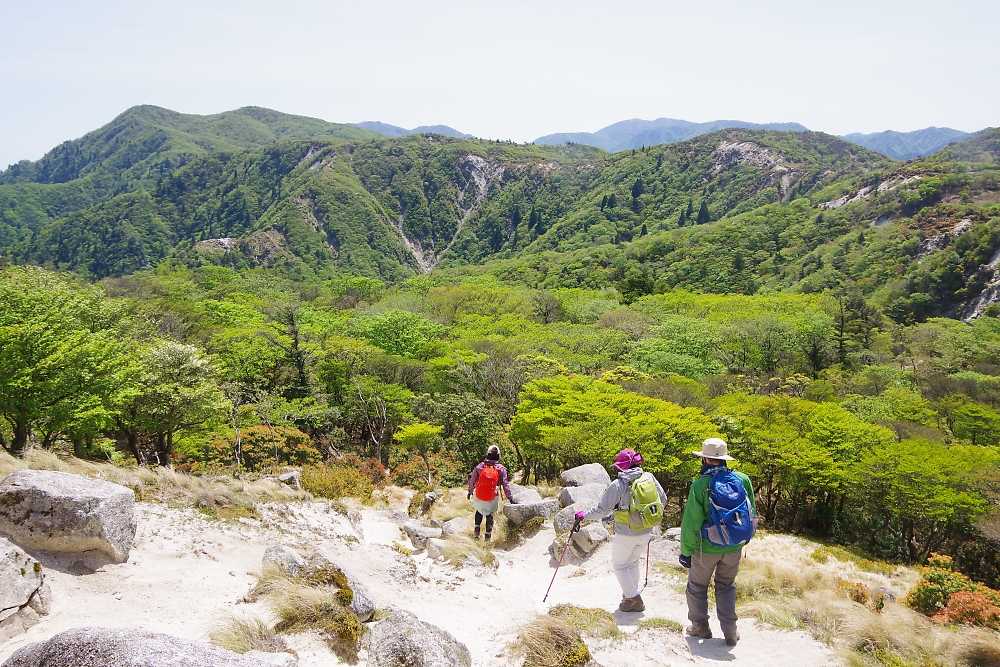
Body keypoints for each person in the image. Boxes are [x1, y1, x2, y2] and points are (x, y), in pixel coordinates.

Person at [679, 437, 756, 647]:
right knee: (726, 586)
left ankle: (700, 627)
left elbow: (691, 523)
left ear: (704, 459)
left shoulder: (700, 485)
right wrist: (743, 539)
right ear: (724, 459)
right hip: (734, 546)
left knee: (697, 587)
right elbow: (751, 513)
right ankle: (730, 631)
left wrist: (686, 551)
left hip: (706, 548)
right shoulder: (742, 479)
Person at [575, 449, 667, 612]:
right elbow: (663, 500)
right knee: (632, 563)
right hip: (646, 531)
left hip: (626, 533)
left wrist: (583, 515)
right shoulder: (649, 477)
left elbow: (602, 510)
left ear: (622, 466)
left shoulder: (618, 485)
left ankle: (633, 598)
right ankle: (629, 595)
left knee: (619, 566)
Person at [466, 445, 513, 541]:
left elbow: (472, 480)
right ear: (498, 456)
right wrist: (510, 498)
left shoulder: (480, 466)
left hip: (479, 495)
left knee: (479, 511)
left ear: (488, 454)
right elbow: (505, 484)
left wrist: (470, 492)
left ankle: (476, 532)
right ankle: (487, 538)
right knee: (489, 515)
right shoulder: (501, 468)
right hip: (492, 496)